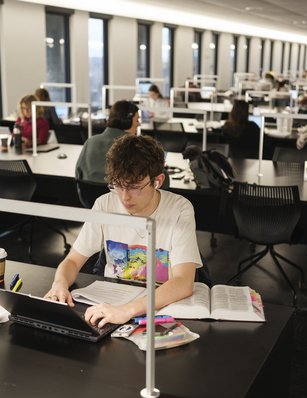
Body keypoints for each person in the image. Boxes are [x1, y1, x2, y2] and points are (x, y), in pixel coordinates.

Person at [45, 134, 202, 328]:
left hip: (157, 307)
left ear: (157, 181)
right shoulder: (105, 204)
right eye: (118, 185)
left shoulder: (179, 209)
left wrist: (127, 310)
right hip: (112, 305)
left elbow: (183, 282)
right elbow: (72, 261)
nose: (124, 197)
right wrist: (59, 283)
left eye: (134, 187)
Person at [75, 100, 140, 183]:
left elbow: (78, 174)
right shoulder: (133, 146)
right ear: (127, 121)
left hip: (89, 195)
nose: (139, 124)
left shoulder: (90, 142)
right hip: (119, 195)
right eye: (137, 120)